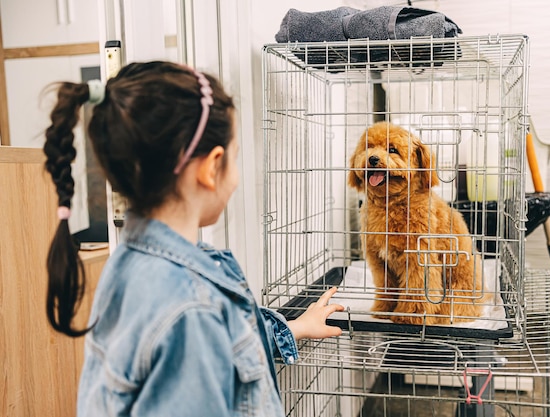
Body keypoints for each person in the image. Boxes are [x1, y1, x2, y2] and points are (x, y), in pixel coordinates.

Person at [43, 61, 344, 416]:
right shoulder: (191, 310)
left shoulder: (132, 265)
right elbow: (198, 336)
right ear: (212, 167)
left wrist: (293, 328)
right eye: (233, 158)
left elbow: (224, 347)